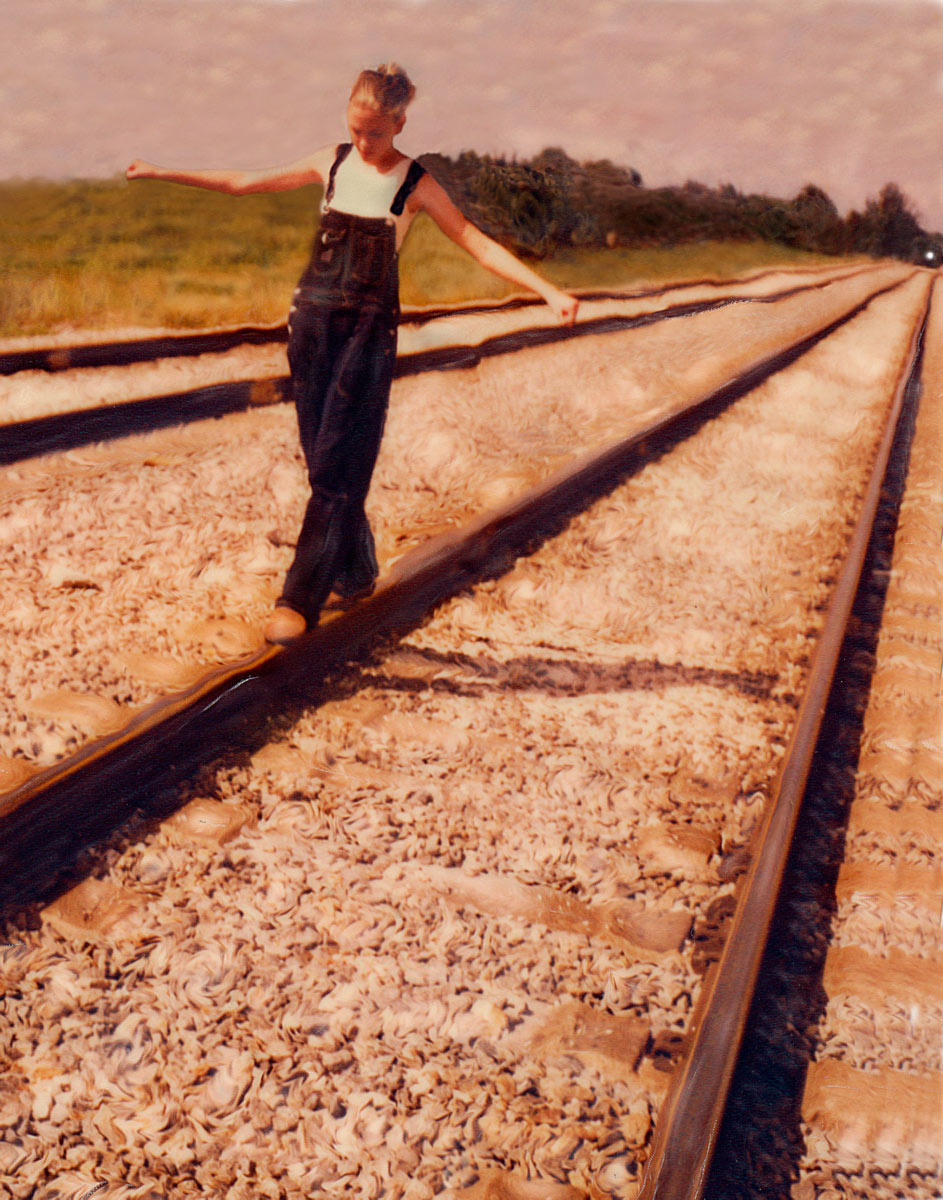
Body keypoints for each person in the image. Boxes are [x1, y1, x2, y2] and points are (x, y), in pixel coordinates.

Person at [127, 63, 580, 644]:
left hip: (367, 332)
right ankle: (358, 564)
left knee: (341, 461)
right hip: (312, 324)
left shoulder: (416, 184)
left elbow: (473, 241)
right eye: (356, 129)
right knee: (324, 459)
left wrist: (547, 290)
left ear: (400, 121)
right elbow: (246, 181)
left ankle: (298, 598)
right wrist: (163, 171)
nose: (365, 143)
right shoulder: (332, 161)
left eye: (376, 133)